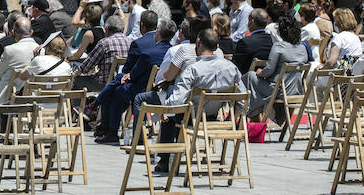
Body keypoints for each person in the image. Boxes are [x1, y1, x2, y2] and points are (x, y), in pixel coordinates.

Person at [153, 30, 241, 177]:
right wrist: (230, 119)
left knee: (168, 117)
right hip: (214, 118)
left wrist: (163, 110)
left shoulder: (193, 69)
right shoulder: (231, 68)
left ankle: (164, 160)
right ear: (217, 46)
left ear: (198, 43)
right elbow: (243, 98)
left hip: (192, 119)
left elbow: (177, 100)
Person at [92, 14, 170, 145]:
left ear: (142, 26)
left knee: (115, 91)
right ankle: (106, 126)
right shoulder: (169, 45)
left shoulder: (138, 44)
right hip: (157, 87)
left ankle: (110, 130)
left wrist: (126, 77)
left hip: (139, 88)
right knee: (116, 87)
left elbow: (127, 70)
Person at [245, 14, 308, 121]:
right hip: (295, 89)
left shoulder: (279, 46)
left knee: (249, 76)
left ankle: (253, 114)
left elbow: (268, 71)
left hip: (278, 90)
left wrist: (260, 72)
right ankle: (255, 112)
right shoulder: (302, 47)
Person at [0, 16, 37, 107]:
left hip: (9, 96)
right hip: (32, 95)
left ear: (13, 33)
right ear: (31, 32)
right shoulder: (41, 50)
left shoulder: (10, 50)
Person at [75, 14, 129, 91]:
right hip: (124, 83)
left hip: (104, 83)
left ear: (106, 29)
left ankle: (80, 103)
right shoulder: (131, 42)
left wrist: (76, 72)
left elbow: (87, 67)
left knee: (75, 81)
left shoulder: (105, 43)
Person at [233, 9, 274, 74]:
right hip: (268, 79)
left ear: (252, 22)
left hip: (247, 81)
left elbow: (235, 66)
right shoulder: (272, 40)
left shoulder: (245, 42)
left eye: (248, 20)